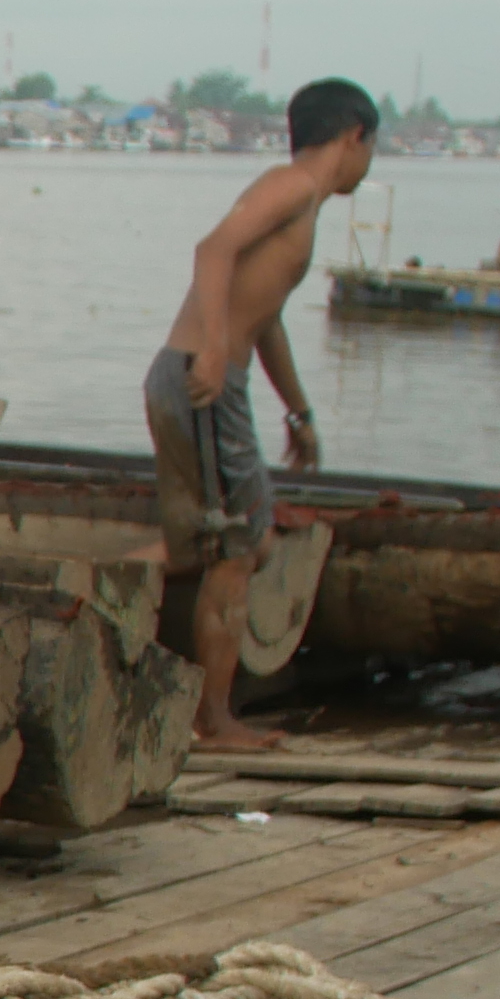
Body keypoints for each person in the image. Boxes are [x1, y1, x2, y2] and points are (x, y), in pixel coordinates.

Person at [147, 78, 378, 754]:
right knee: (234, 549)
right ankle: (211, 721)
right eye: (370, 151)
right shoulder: (294, 188)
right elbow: (212, 250)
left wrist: (300, 411)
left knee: (238, 540)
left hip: (216, 379)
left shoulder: (300, 202)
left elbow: (266, 321)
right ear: (353, 137)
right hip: (203, 378)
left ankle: (195, 696)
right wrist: (216, 350)